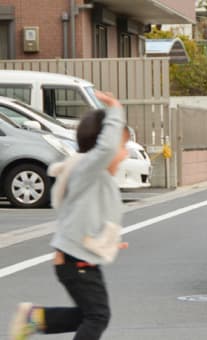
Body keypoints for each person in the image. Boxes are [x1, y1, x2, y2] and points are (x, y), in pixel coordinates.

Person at [9, 91, 129, 340]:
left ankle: (35, 318)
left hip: (78, 260)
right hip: (76, 262)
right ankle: (33, 318)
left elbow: (85, 216)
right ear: (102, 146)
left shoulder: (92, 176)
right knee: (97, 317)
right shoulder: (88, 170)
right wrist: (115, 110)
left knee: (90, 314)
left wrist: (108, 240)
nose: (125, 153)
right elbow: (106, 148)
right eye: (122, 146)